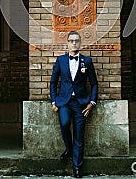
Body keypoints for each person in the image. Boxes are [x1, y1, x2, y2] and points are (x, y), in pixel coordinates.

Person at [50, 31, 98, 178]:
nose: (74, 43)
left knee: (79, 135)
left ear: (80, 43)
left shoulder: (87, 61)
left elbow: (94, 84)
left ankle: (77, 166)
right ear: (67, 43)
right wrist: (53, 100)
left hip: (80, 103)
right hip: (64, 102)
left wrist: (92, 102)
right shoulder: (61, 60)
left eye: (77, 41)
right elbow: (53, 82)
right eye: (71, 41)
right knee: (64, 124)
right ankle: (69, 149)